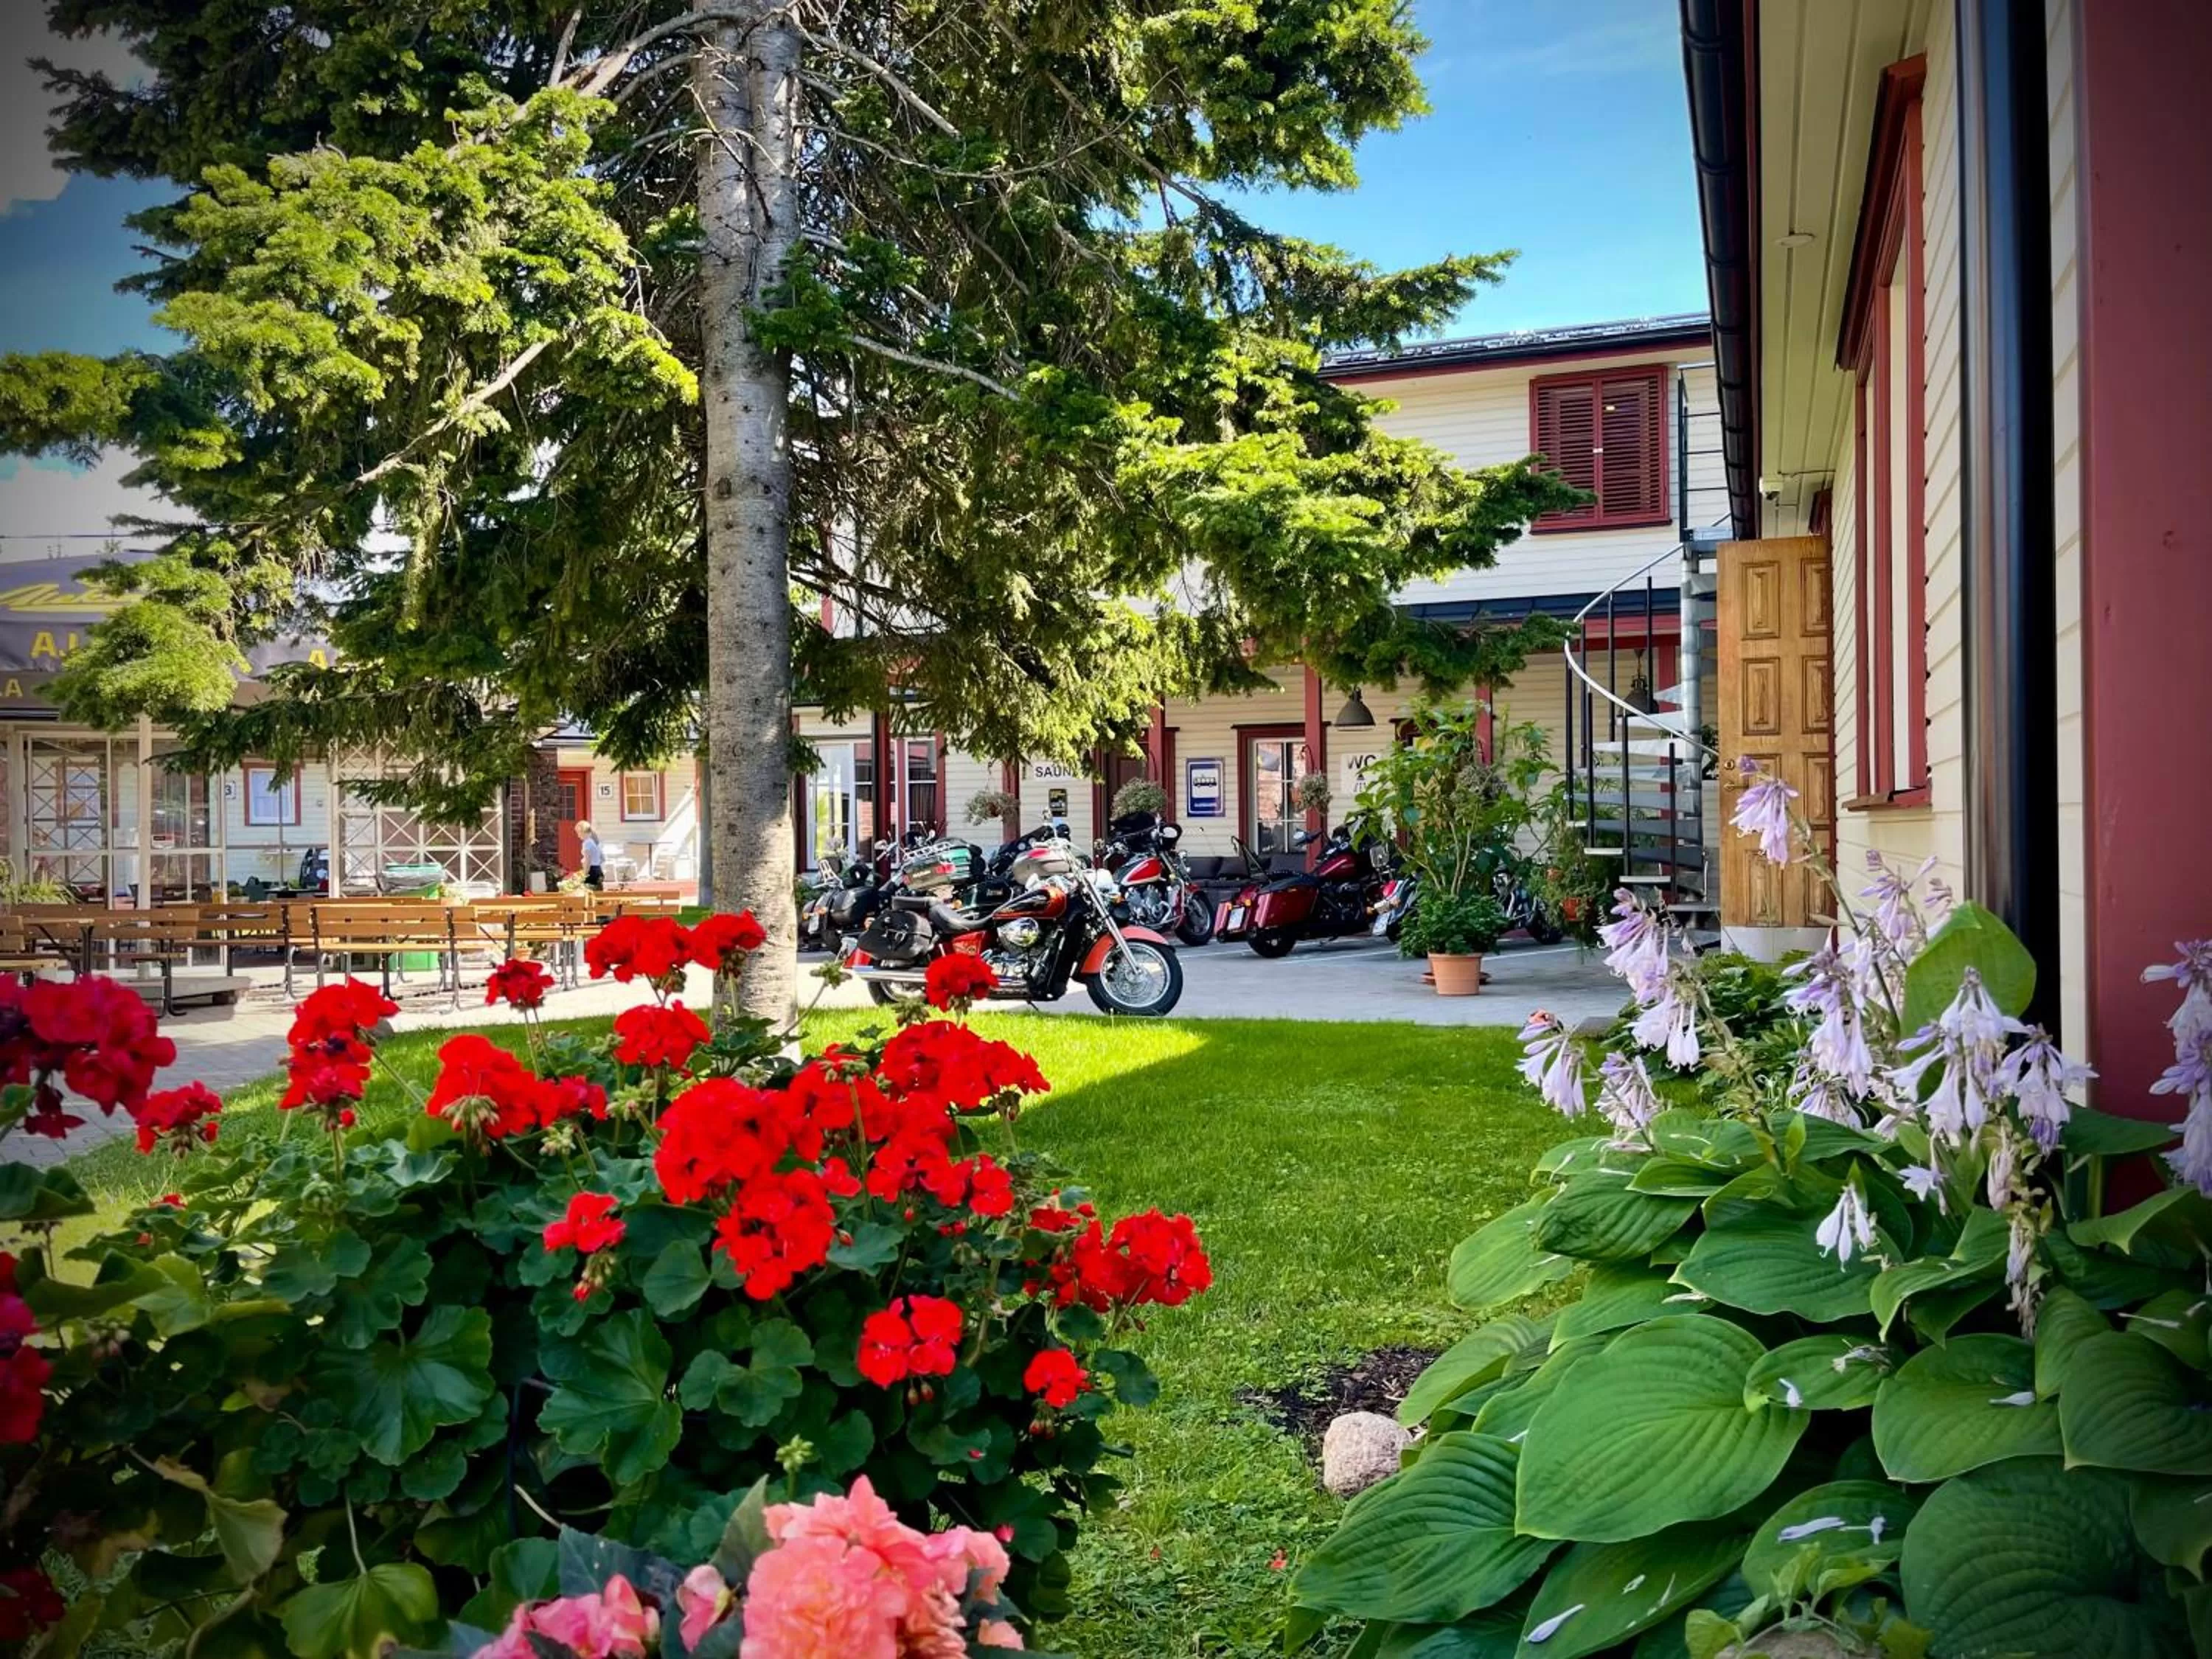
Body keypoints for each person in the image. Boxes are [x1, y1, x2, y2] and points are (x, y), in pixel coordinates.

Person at [577, 821, 604, 890]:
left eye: (578, 833)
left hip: (591, 872)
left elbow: (588, 860)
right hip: (597, 870)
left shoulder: (587, 843)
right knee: (598, 895)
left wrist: (585, 874)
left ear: (583, 832)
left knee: (589, 896)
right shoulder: (593, 842)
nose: (578, 835)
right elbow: (602, 859)